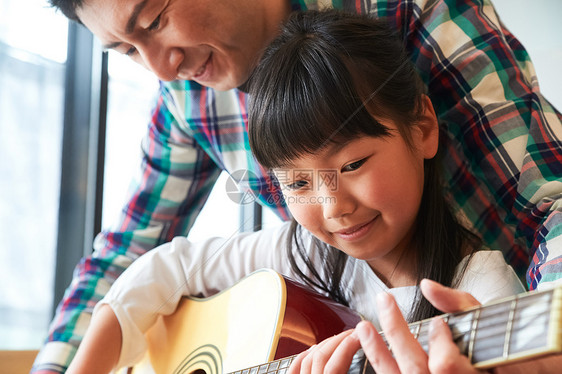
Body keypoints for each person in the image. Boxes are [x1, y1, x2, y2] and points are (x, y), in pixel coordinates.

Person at [33, 0, 562, 372]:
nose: (160, 70)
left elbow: (552, 197)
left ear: (423, 129)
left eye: (154, 18)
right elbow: (135, 254)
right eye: (125, 50)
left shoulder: (412, 9)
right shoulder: (305, 248)